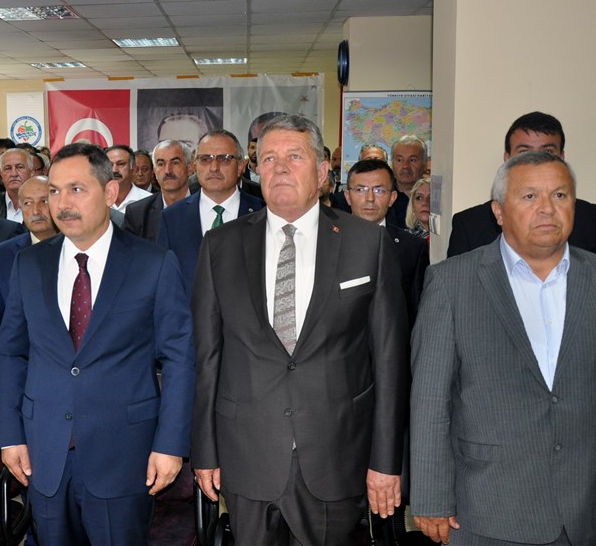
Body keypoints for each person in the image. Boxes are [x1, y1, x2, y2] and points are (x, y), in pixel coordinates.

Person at [191, 114, 409, 544]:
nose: (280, 168)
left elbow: (389, 361)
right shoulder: (220, 246)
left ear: (323, 172)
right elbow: (207, 357)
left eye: (294, 156)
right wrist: (205, 449)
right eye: (269, 158)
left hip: (336, 455)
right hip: (246, 454)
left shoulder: (367, 243)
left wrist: (386, 462)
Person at [0, 143, 195, 546]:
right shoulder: (29, 264)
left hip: (123, 454)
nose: (62, 203)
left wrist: (171, 444)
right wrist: (10, 434)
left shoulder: (153, 263)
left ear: (110, 192)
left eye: (76, 189)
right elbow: (12, 353)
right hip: (45, 453)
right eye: (54, 191)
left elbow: (179, 359)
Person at [410, 151, 596, 545]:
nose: (547, 208)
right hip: (487, 507)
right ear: (498, 211)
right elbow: (430, 400)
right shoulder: (451, 282)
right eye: (529, 196)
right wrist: (431, 496)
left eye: (560, 195)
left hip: (589, 505)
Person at [447, 111, 596, 257]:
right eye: (524, 153)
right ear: (507, 158)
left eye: (547, 152)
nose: (536, 161)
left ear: (562, 157)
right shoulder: (470, 225)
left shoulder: (593, 220)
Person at [158, 130, 263, 298]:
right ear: (195, 166)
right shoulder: (171, 218)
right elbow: (164, 283)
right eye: (205, 159)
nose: (214, 167)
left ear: (240, 167)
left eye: (224, 159)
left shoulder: (262, 213)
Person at [345, 158, 428, 324]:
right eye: (361, 190)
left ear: (392, 198)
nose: (369, 198)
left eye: (379, 191)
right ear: (348, 196)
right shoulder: (327, 243)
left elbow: (417, 310)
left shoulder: (412, 248)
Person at [0, 175, 58, 324]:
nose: (36, 211)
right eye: (28, 203)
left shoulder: (76, 246)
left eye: (44, 201)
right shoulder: (1, 255)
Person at [122, 140, 193, 243]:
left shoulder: (206, 207)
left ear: (190, 168)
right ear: (154, 171)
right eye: (161, 164)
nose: (167, 170)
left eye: (175, 163)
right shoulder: (137, 213)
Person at [106, 145, 151, 213]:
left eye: (120, 164)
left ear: (133, 168)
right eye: (109, 165)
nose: (114, 170)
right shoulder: (96, 199)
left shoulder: (149, 201)